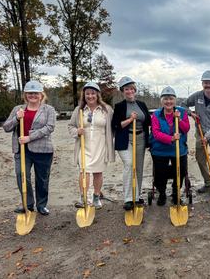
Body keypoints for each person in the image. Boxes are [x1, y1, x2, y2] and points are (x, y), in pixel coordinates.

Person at [3, 81, 56, 215]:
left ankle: (42, 205)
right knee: (22, 175)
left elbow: (50, 128)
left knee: (42, 179)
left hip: (43, 150)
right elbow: (6, 127)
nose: (32, 95)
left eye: (35, 93)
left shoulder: (48, 109)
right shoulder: (18, 109)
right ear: (25, 95)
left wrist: (29, 137)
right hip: (21, 150)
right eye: (29, 93)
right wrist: (16, 118)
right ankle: (28, 203)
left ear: (41, 94)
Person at [68, 82, 114, 209]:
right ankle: (84, 197)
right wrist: (76, 132)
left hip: (100, 146)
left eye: (93, 93)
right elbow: (70, 126)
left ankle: (96, 196)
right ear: (84, 95)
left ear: (97, 94)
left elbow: (113, 128)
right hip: (84, 146)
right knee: (84, 171)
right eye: (87, 93)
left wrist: (110, 139)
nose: (90, 96)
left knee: (98, 173)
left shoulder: (107, 110)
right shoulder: (79, 110)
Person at [182, 70, 210, 193]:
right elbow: (183, 105)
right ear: (202, 83)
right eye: (206, 82)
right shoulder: (197, 96)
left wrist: (207, 136)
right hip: (200, 131)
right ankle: (207, 183)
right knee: (200, 158)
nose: (208, 85)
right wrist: (191, 113)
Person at [112, 77, 151, 211]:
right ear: (123, 91)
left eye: (131, 89)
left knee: (139, 168)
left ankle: (137, 195)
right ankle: (128, 198)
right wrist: (130, 119)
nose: (129, 91)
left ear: (135, 90)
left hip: (141, 138)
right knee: (129, 164)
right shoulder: (119, 106)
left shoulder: (142, 104)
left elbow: (148, 121)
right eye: (126, 89)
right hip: (125, 139)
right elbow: (116, 125)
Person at [150, 86, 190, 205]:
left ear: (175, 100)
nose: (168, 102)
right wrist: (171, 138)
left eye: (171, 99)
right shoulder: (156, 114)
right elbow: (156, 133)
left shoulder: (181, 112)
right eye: (166, 99)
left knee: (180, 171)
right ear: (162, 101)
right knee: (160, 173)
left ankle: (175, 193)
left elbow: (186, 129)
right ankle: (162, 193)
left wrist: (178, 119)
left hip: (178, 149)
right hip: (160, 150)